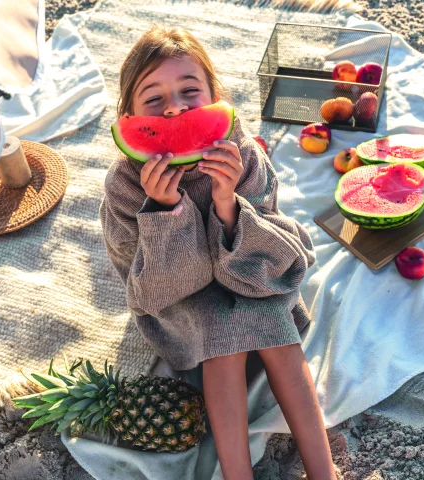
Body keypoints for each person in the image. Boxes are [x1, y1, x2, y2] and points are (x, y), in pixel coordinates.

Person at [99, 24, 338, 480]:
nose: (174, 108)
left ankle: (325, 472)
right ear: (127, 114)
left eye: (190, 91)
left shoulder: (243, 154)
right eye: (153, 101)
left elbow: (274, 249)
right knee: (220, 341)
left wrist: (229, 204)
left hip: (252, 273)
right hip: (179, 300)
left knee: (276, 330)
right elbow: (144, 288)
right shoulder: (125, 187)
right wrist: (166, 213)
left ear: (216, 95)